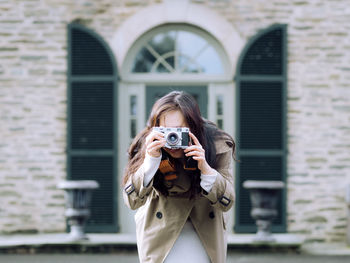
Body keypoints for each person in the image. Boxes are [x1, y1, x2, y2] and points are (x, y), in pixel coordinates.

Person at [122, 91, 235, 263]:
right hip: (160, 234)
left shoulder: (216, 145)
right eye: (167, 131)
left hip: (204, 233)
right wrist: (150, 162)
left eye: (180, 131)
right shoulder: (147, 144)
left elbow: (227, 202)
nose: (173, 139)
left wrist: (205, 168)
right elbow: (131, 201)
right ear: (156, 129)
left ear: (194, 128)